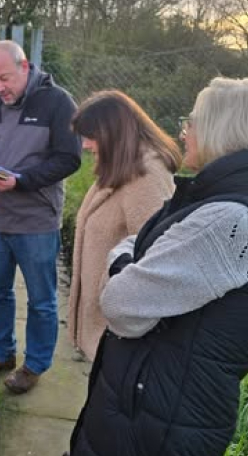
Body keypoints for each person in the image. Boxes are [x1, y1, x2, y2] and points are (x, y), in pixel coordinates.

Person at [66, 77, 248, 456]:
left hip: (156, 420)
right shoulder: (232, 202)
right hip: (155, 405)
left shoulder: (231, 221)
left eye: (192, 121)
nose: (185, 132)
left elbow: (123, 306)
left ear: (226, 130)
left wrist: (124, 261)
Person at [0, 40, 81, 394]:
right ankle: (1, 352)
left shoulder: (58, 102)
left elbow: (69, 158)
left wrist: (22, 182)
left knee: (41, 300)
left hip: (37, 222)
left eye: (5, 79)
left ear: (25, 66)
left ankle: (35, 364)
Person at [68, 90, 180, 362]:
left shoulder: (147, 179)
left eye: (91, 136)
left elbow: (155, 258)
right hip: (106, 328)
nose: (85, 145)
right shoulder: (120, 165)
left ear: (112, 133)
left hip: (121, 333)